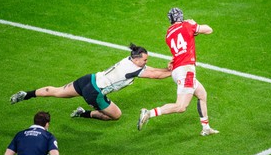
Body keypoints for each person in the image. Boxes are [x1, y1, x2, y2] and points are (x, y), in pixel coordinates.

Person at [10, 43, 172, 121]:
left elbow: (152, 70)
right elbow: (155, 75)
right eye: (145, 59)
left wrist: (167, 69)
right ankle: (83, 113)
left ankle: (27, 94)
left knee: (58, 91)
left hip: (88, 79)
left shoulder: (129, 60)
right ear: (136, 59)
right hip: (95, 92)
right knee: (115, 115)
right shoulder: (134, 69)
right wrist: (173, 71)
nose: (146, 61)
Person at [137, 8, 219, 136]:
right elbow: (209, 29)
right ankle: (149, 113)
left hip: (177, 70)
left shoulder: (168, 34)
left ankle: (206, 128)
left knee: (202, 94)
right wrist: (194, 23)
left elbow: (180, 50)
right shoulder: (187, 25)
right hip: (186, 71)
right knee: (180, 107)